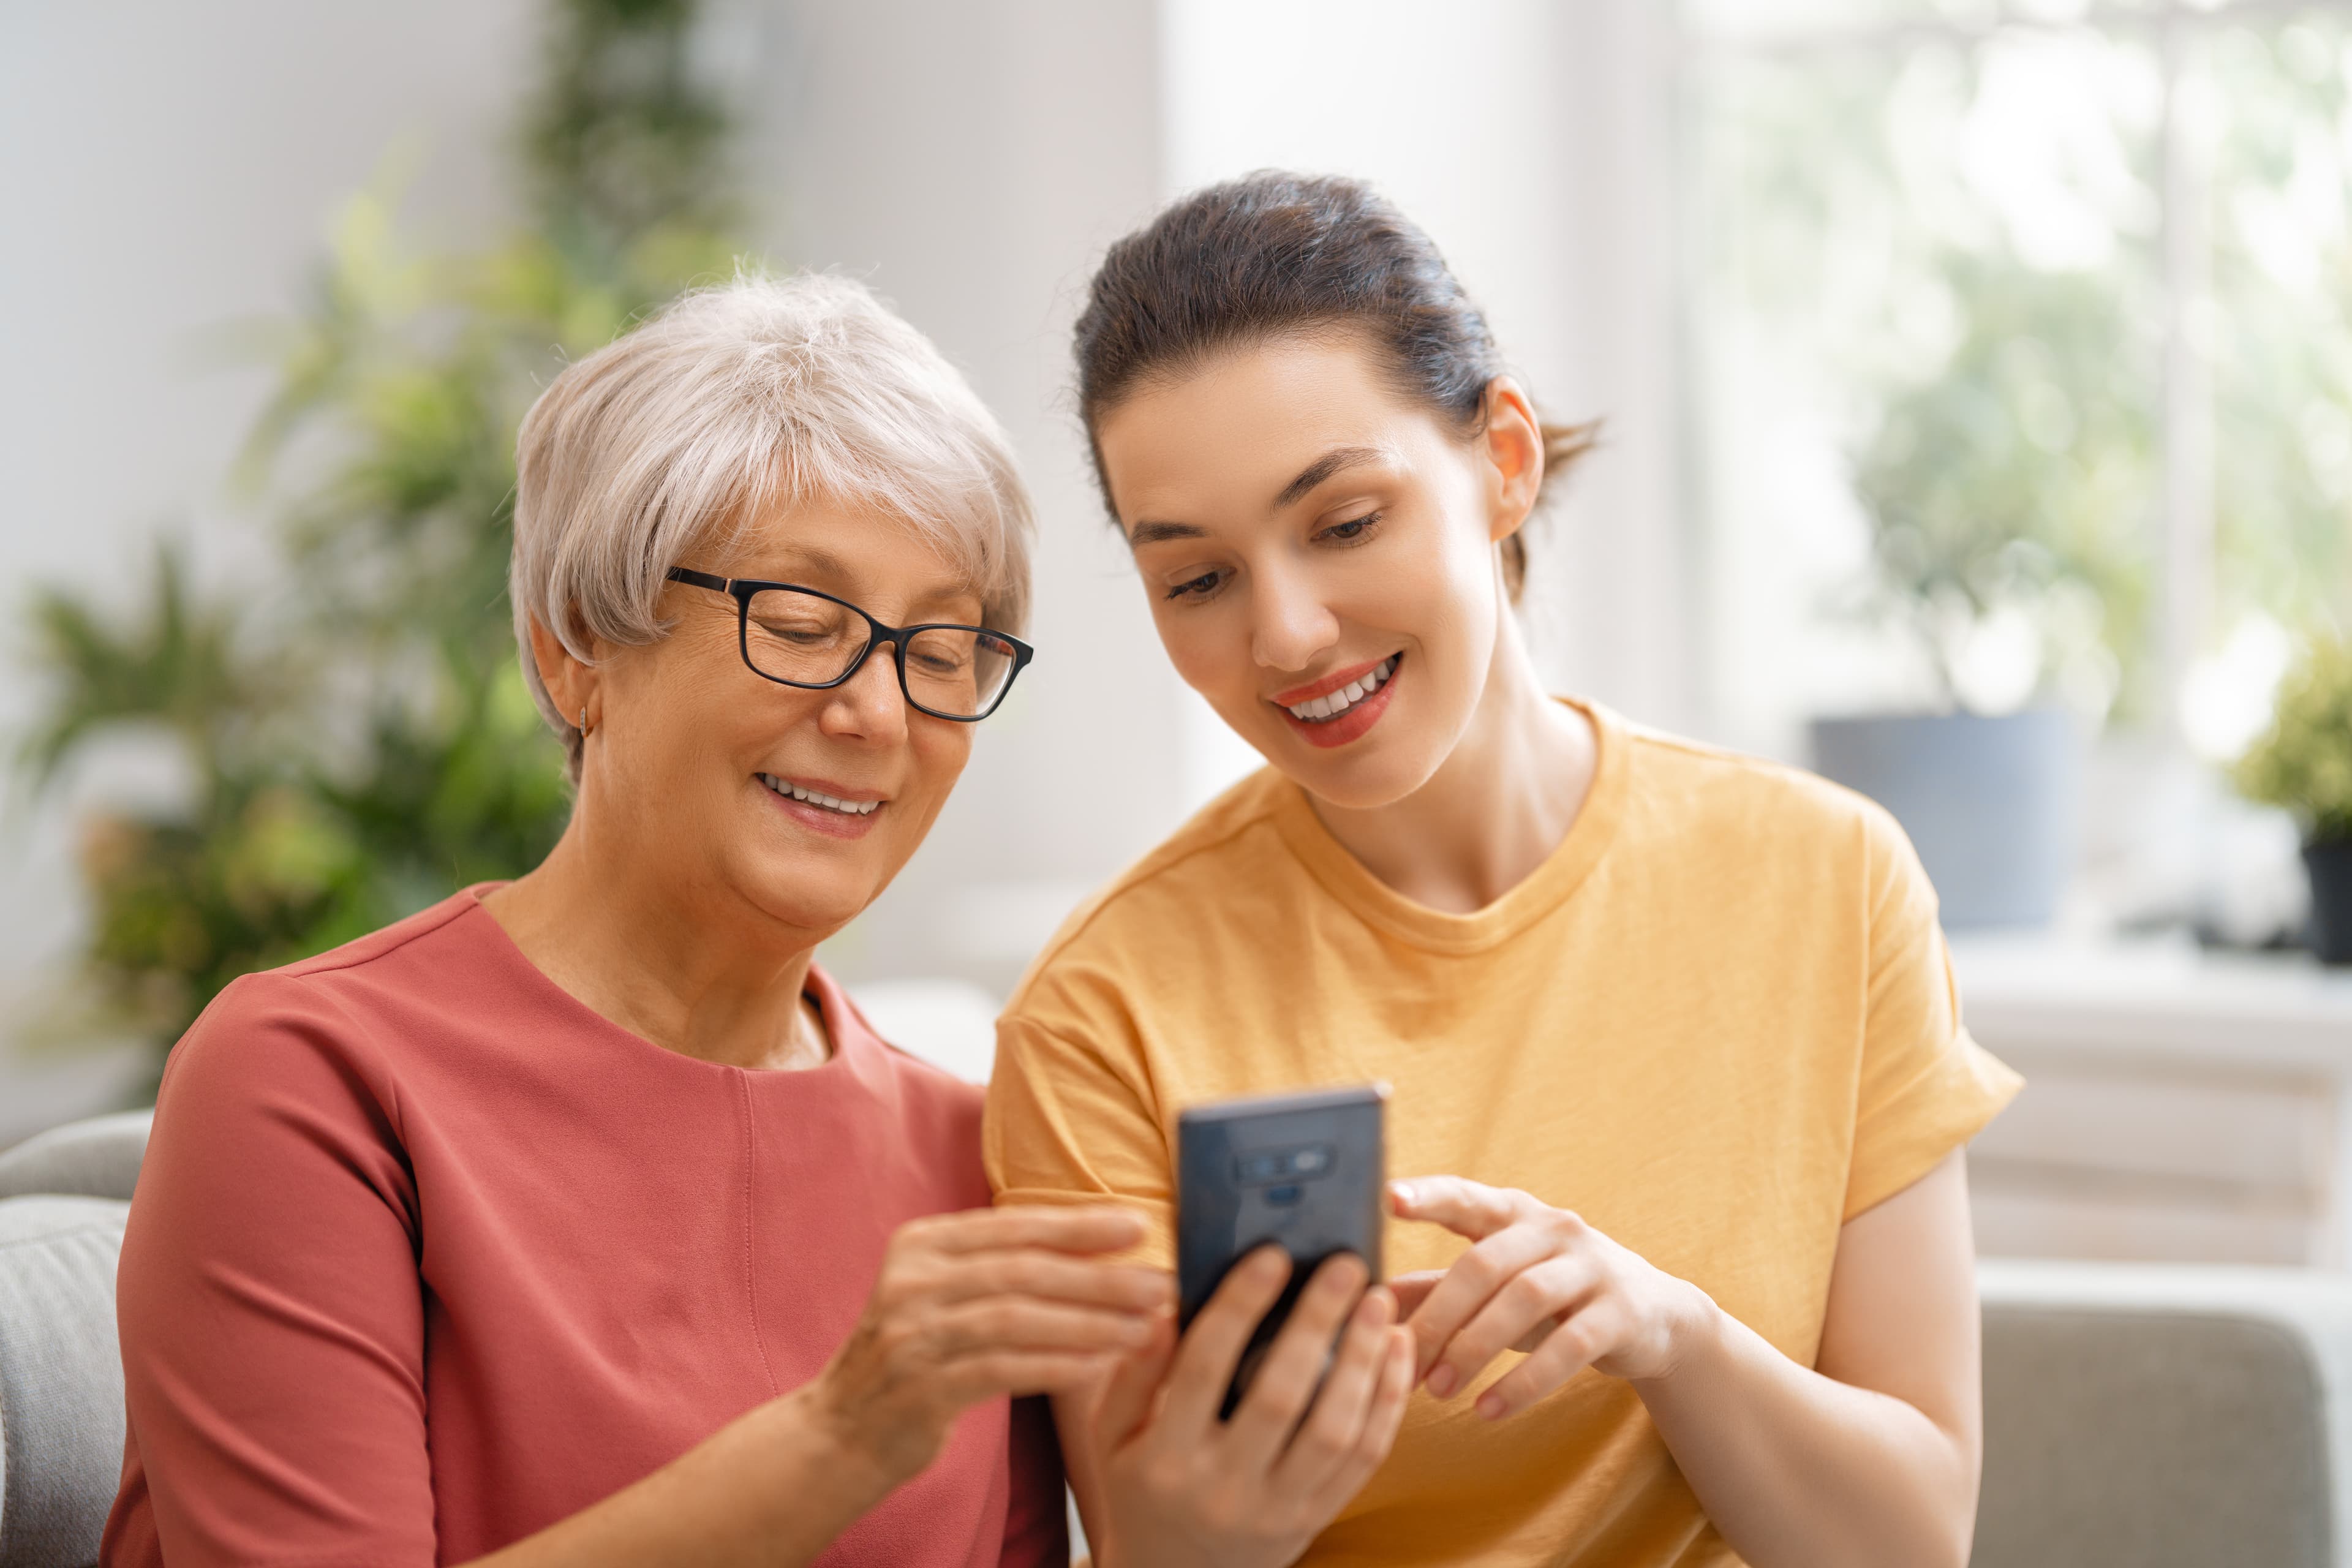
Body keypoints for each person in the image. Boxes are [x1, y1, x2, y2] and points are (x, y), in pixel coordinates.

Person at [984, 172, 2024, 1568]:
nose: (1287, 633)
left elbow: (1909, 1544)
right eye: (1199, 578)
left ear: (1505, 460)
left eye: (1345, 521)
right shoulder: (1104, 1012)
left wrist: (1671, 1335)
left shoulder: (1829, 881)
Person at [103, 274, 1173, 1568]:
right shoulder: (311, 1081)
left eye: (943, 651)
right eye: (799, 621)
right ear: (574, 650)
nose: (878, 714)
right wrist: (841, 1436)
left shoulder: (972, 1149)